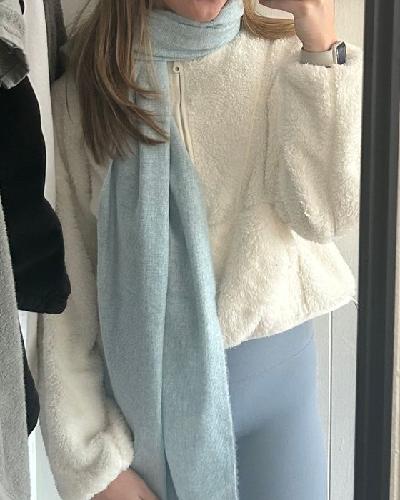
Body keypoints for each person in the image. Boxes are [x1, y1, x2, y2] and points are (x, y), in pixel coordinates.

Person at [36, 0, 363, 499]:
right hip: (153, 413)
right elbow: (68, 304)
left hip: (280, 400)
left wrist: (319, 39)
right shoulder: (84, 96)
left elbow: (329, 215)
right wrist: (94, 467)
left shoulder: (282, 56)